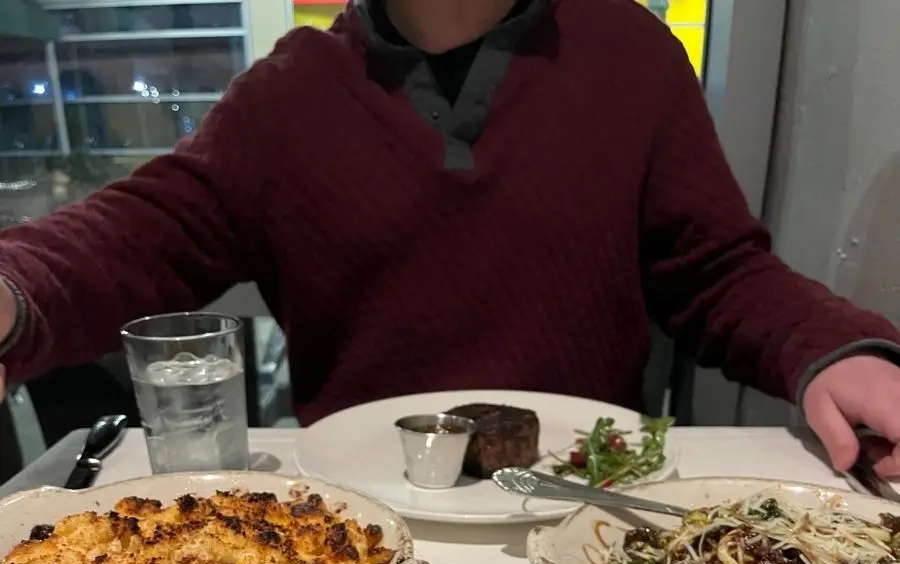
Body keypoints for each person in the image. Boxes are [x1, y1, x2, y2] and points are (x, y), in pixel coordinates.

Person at [1, 0, 900, 475]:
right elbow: (132, 236)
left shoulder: (632, 54)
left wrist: (828, 350)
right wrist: (13, 292)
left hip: (588, 510)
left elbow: (717, 272)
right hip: (357, 532)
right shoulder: (286, 95)